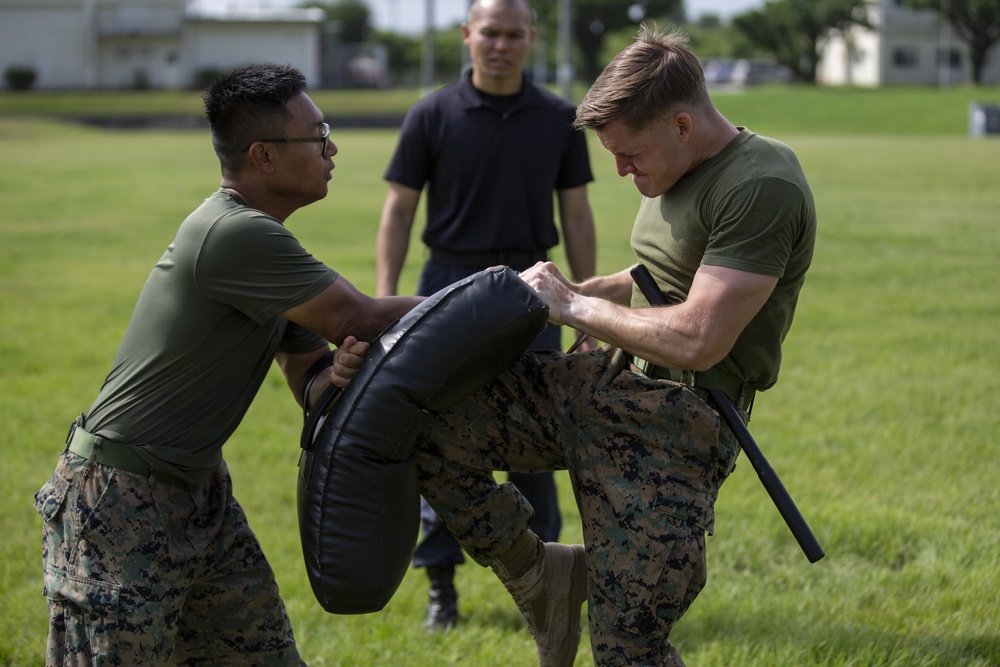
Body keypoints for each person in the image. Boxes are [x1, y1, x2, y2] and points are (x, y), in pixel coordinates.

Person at [338, 25, 817, 667]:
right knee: (415, 417)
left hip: (676, 424)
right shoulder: (673, 166)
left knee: (628, 651)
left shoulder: (761, 183)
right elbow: (656, 277)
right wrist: (581, 291)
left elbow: (701, 337)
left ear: (681, 125)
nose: (619, 170)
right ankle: (544, 576)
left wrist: (574, 306)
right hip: (602, 384)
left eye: (628, 154)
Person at [32, 63, 418, 666]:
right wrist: (509, 292)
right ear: (264, 156)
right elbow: (359, 318)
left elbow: (309, 378)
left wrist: (332, 378)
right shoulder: (233, 233)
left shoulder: (267, 244)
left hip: (199, 495)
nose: (332, 148)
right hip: (121, 500)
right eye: (318, 136)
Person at [374, 0, 597, 632]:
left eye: (513, 34)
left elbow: (576, 216)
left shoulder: (559, 117)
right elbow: (398, 211)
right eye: (489, 33)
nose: (500, 44)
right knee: (437, 436)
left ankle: (546, 584)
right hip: (447, 284)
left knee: (535, 439)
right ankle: (441, 589)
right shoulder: (431, 114)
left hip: (532, 289)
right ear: (467, 36)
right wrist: (385, 303)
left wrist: (583, 308)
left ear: (530, 38)